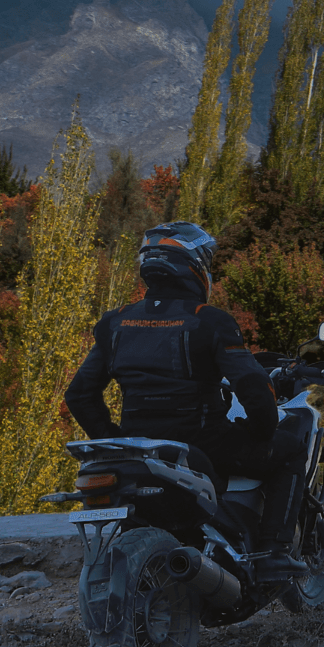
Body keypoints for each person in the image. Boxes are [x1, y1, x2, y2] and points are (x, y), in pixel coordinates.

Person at [64, 222, 307, 581]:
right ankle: (272, 554)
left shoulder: (114, 322)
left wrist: (117, 438)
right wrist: (262, 430)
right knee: (289, 451)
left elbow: (79, 395)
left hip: (140, 447)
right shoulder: (207, 321)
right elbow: (254, 386)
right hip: (203, 441)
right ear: (194, 265)